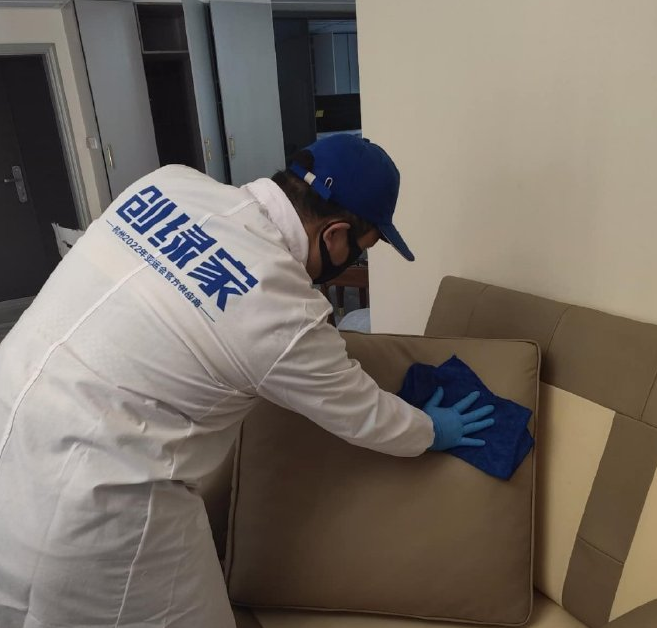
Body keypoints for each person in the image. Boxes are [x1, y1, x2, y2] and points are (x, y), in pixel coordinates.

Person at [0, 134, 494, 627]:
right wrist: (431, 430)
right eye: (362, 251)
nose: (356, 261)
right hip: (98, 513)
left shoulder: (168, 183)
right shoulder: (285, 311)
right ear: (335, 235)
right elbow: (367, 416)